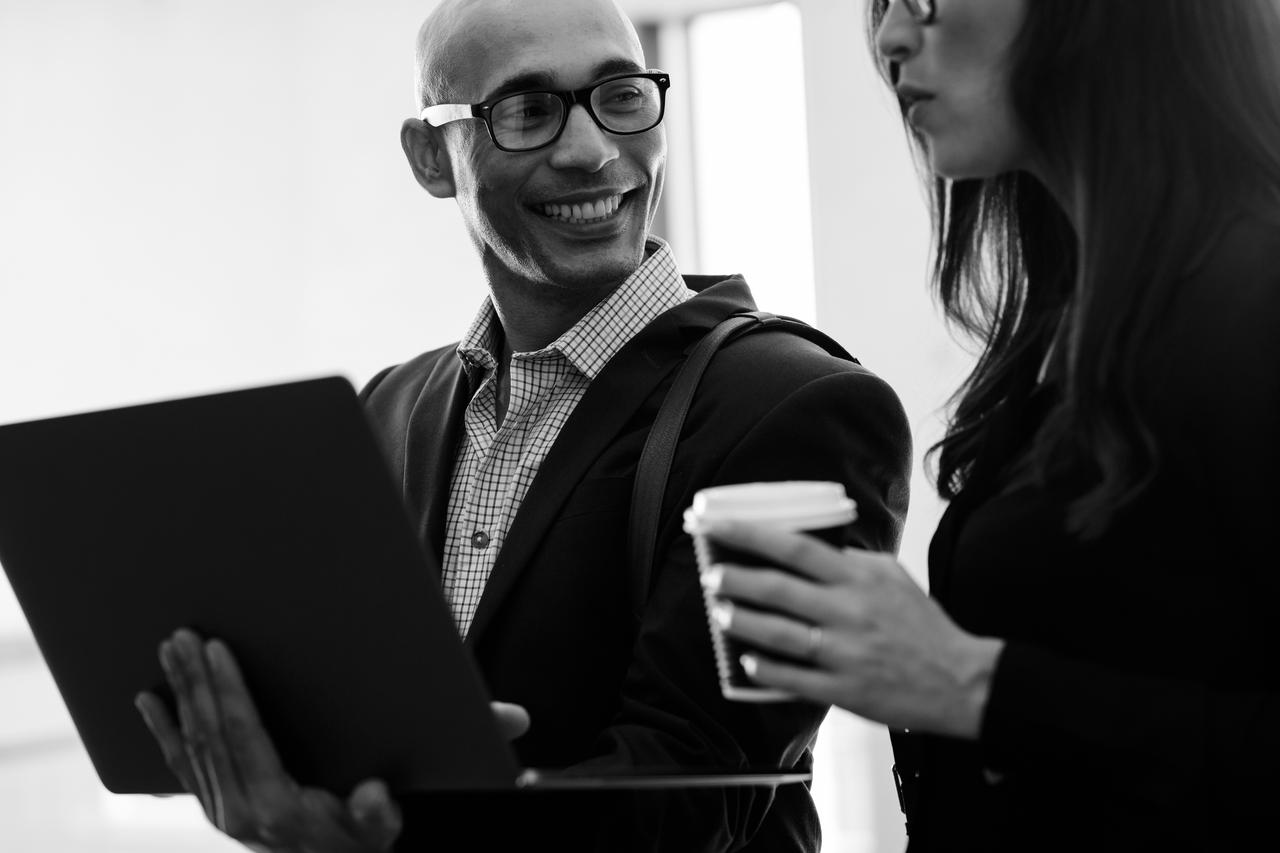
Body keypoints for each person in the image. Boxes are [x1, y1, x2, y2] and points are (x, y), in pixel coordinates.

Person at [132, 1, 914, 851]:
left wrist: (393, 837)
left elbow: (697, 795)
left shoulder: (796, 407)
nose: (590, 150)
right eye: (528, 110)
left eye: (620, 95)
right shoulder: (390, 410)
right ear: (433, 156)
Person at [700, 0, 1280, 850]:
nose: (892, 38)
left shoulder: (1256, 297)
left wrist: (972, 685)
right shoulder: (1072, 315)